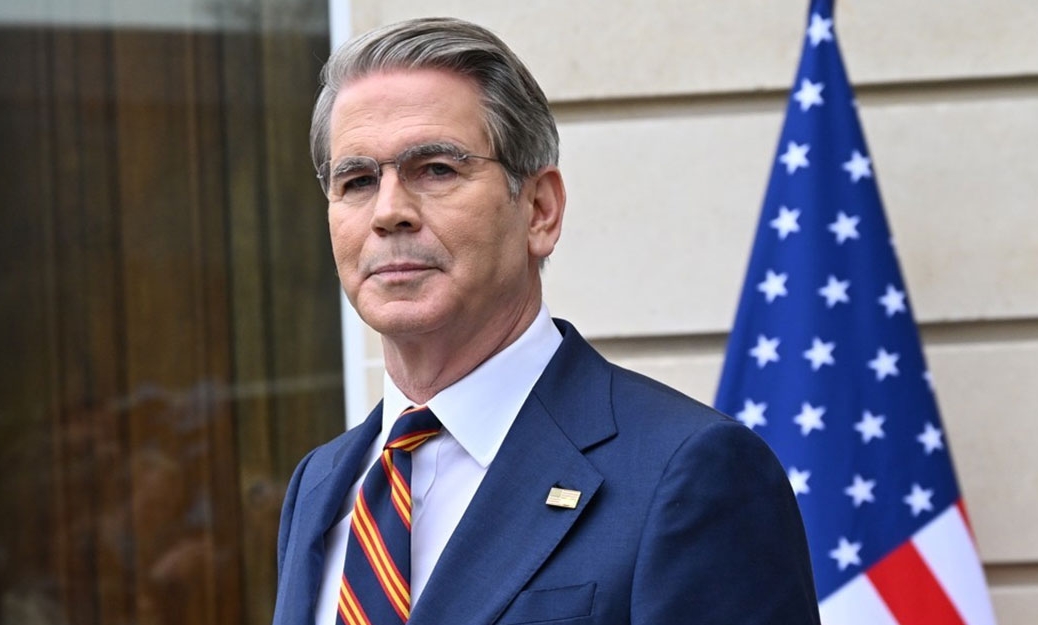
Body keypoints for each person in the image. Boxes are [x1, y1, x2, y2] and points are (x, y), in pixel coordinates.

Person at [273, 16, 820, 625]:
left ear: (539, 210)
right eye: (357, 181)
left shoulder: (689, 472)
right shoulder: (320, 485)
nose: (389, 211)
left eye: (437, 169)